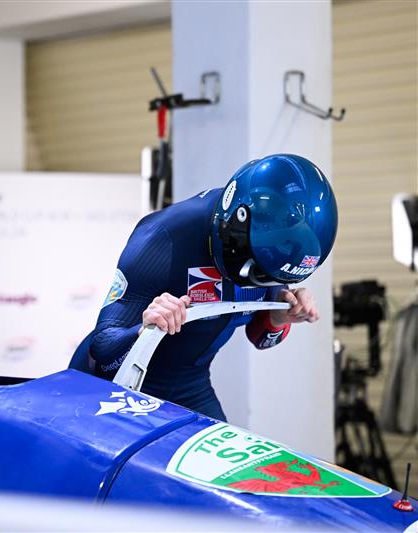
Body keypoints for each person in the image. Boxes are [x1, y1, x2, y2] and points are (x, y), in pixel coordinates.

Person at [69, 153, 338, 421]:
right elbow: (101, 355)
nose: (257, 281)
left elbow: (260, 339)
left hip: (190, 387)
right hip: (113, 387)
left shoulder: (276, 253)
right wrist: (144, 329)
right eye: (254, 271)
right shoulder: (162, 237)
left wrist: (278, 318)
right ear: (234, 229)